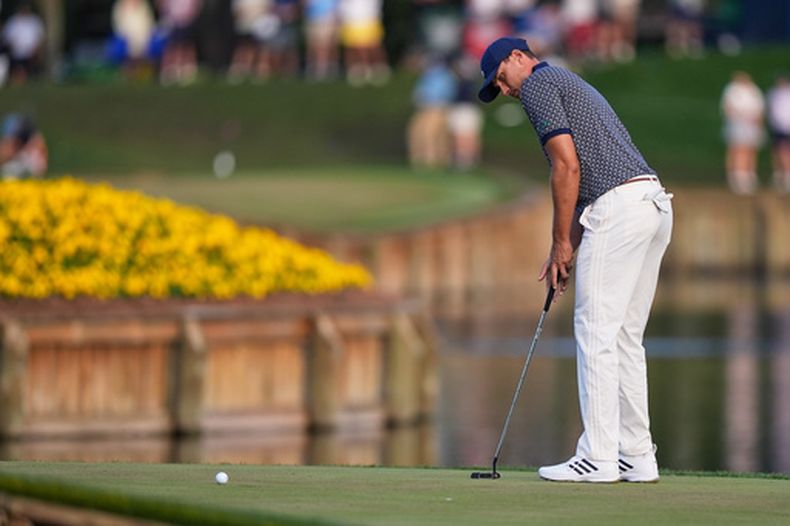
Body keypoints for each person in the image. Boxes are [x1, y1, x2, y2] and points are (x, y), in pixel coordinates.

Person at [478, 37, 672, 483]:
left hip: (621, 209)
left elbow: (566, 168)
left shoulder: (538, 85)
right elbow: (587, 174)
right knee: (623, 337)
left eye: (501, 79)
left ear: (518, 59)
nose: (506, 91)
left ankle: (599, 456)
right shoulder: (565, 82)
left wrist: (560, 242)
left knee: (594, 331)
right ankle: (636, 455)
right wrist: (565, 248)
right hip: (651, 204)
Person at [720, 71, 764, 195]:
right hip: (737, 124)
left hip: (751, 125)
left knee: (750, 150)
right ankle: (737, 176)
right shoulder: (732, 90)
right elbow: (728, 107)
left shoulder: (753, 90)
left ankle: (749, 175)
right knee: (737, 150)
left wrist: (757, 122)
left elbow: (759, 109)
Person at [1, 2, 45, 84]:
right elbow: (7, 37)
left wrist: (36, 49)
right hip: (15, 52)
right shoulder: (13, 21)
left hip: (31, 52)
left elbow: (40, 37)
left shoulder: (34, 21)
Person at [1, 113, 48, 179]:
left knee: (33, 158)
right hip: (16, 165)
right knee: (9, 171)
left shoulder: (33, 137)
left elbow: (41, 148)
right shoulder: (10, 139)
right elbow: (5, 155)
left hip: (28, 165)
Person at [766, 74, 790, 193]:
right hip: (778, 127)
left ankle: (786, 175)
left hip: (786, 127)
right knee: (778, 151)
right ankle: (780, 174)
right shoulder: (773, 94)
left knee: (784, 151)